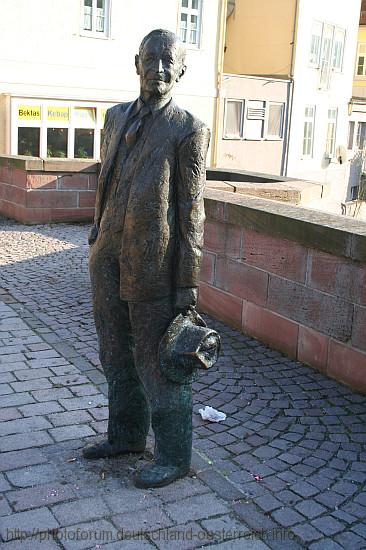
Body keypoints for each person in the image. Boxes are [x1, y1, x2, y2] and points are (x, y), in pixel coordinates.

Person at [83, 28, 210, 488]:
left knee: (158, 365)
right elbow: (105, 176)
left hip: (154, 266)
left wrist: (187, 283)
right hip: (107, 257)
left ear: (180, 69)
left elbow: (191, 211)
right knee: (115, 354)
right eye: (150, 58)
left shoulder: (187, 129)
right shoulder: (116, 117)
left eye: (167, 60)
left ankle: (174, 456)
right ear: (136, 62)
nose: (158, 68)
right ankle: (126, 436)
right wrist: (97, 230)